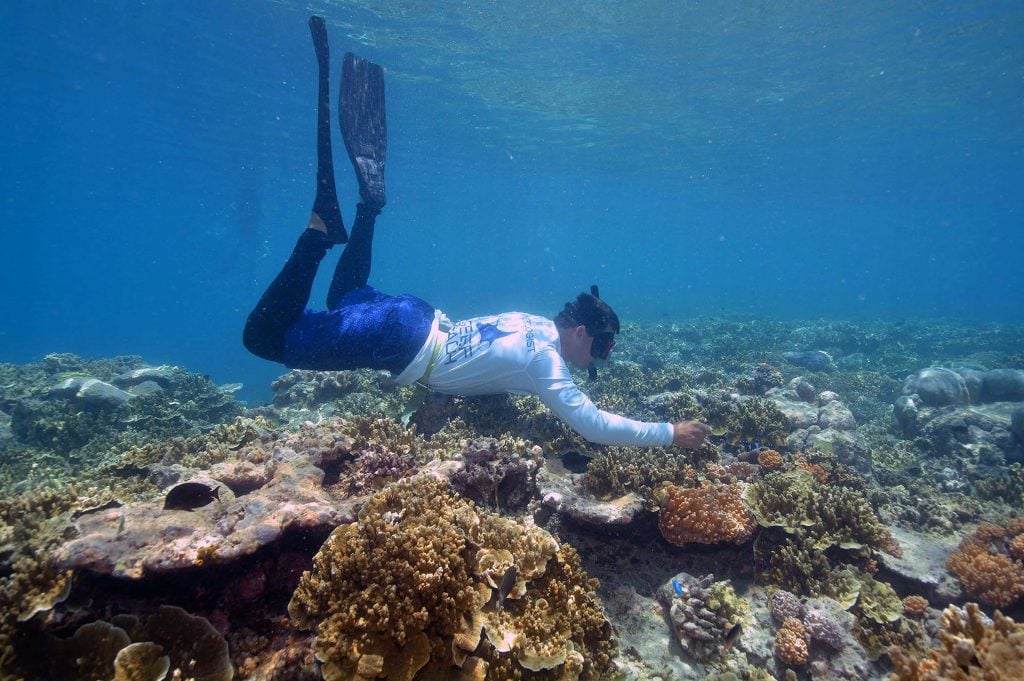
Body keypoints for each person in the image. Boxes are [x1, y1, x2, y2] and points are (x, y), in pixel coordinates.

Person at [243, 17, 710, 450]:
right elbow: (591, 424)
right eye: (602, 350)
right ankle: (318, 235)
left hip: (414, 318)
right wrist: (669, 432)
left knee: (344, 296)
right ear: (581, 332)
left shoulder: (534, 323)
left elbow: (492, 372)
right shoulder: (545, 361)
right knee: (262, 339)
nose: (598, 361)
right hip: (400, 341)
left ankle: (369, 209)